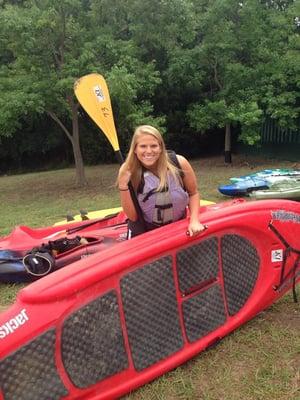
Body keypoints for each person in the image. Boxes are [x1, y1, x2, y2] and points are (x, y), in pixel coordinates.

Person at [117, 125, 206, 238]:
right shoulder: (130, 172)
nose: (149, 151)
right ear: (135, 149)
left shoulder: (179, 163)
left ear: (161, 147)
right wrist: (123, 185)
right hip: (147, 234)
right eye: (143, 146)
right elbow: (133, 217)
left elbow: (193, 193)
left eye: (154, 146)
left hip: (177, 226)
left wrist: (194, 220)